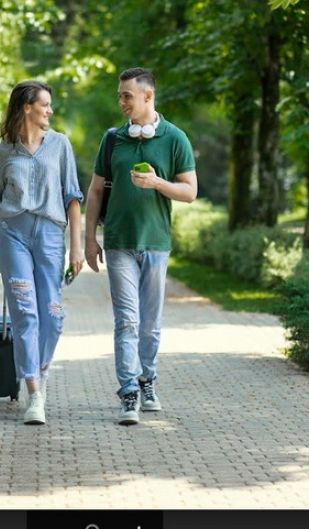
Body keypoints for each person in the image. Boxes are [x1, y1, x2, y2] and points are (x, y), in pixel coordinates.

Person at [85, 67, 197, 426]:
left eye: (127, 96)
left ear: (148, 96)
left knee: (150, 325)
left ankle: (148, 380)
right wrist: (89, 240)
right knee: (128, 322)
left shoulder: (175, 138)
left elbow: (190, 192)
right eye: (119, 95)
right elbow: (96, 190)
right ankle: (129, 391)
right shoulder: (113, 139)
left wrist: (157, 183)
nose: (121, 102)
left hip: (156, 243)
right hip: (118, 242)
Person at [0, 80, 84, 426]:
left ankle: (38, 370)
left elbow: (73, 197)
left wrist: (76, 247)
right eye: (44, 104)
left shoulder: (60, 145)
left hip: (51, 237)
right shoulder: (3, 151)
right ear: (27, 107)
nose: (50, 110)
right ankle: (34, 394)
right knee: (26, 313)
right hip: (12, 233)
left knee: (53, 316)